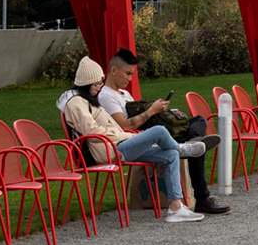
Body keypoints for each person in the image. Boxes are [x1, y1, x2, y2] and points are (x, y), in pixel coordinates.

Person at [61, 56, 205, 223]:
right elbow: (92, 132)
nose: (99, 88)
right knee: (159, 130)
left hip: (117, 145)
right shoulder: (76, 103)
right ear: (86, 83)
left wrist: (130, 136)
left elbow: (111, 129)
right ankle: (181, 148)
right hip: (109, 150)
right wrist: (129, 136)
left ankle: (176, 208)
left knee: (170, 154)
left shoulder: (88, 100)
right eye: (96, 85)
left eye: (100, 84)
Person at [96, 49, 228, 215]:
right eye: (127, 73)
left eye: (132, 74)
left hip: (149, 133)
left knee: (199, 122)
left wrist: (159, 112)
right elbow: (123, 126)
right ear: (114, 70)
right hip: (136, 139)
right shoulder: (107, 96)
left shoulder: (125, 94)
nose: (129, 79)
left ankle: (192, 143)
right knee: (192, 146)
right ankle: (201, 196)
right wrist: (152, 110)